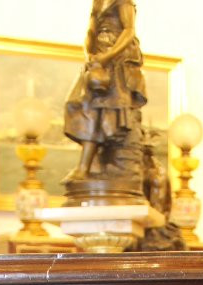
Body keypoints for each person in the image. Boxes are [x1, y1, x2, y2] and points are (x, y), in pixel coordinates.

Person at [64, 0, 147, 181]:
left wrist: (107, 57)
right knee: (79, 105)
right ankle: (88, 166)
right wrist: (90, 56)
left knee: (102, 110)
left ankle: (86, 167)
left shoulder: (123, 2)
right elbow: (90, 31)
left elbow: (129, 31)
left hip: (117, 59)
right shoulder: (98, 2)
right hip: (98, 59)